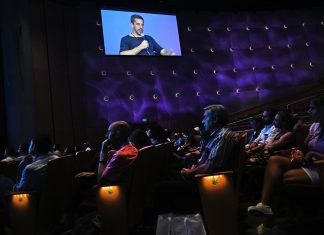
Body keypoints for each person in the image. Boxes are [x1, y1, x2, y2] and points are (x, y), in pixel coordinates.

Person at [247, 96, 324, 219]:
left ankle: (276, 220)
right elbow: (303, 148)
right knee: (274, 160)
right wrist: (298, 131)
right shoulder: (315, 126)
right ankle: (265, 205)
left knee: (279, 177)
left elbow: (310, 152)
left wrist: (313, 154)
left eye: (312, 108)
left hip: (320, 167)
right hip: (309, 162)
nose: (309, 111)